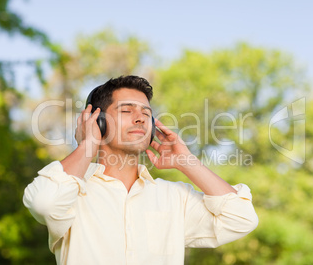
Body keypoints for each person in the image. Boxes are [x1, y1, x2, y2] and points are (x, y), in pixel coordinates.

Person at [23, 75, 258, 265]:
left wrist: (186, 161)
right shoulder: (72, 191)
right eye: (127, 111)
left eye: (146, 113)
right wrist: (87, 146)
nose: (140, 119)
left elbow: (241, 219)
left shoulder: (174, 197)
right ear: (97, 122)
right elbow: (44, 203)